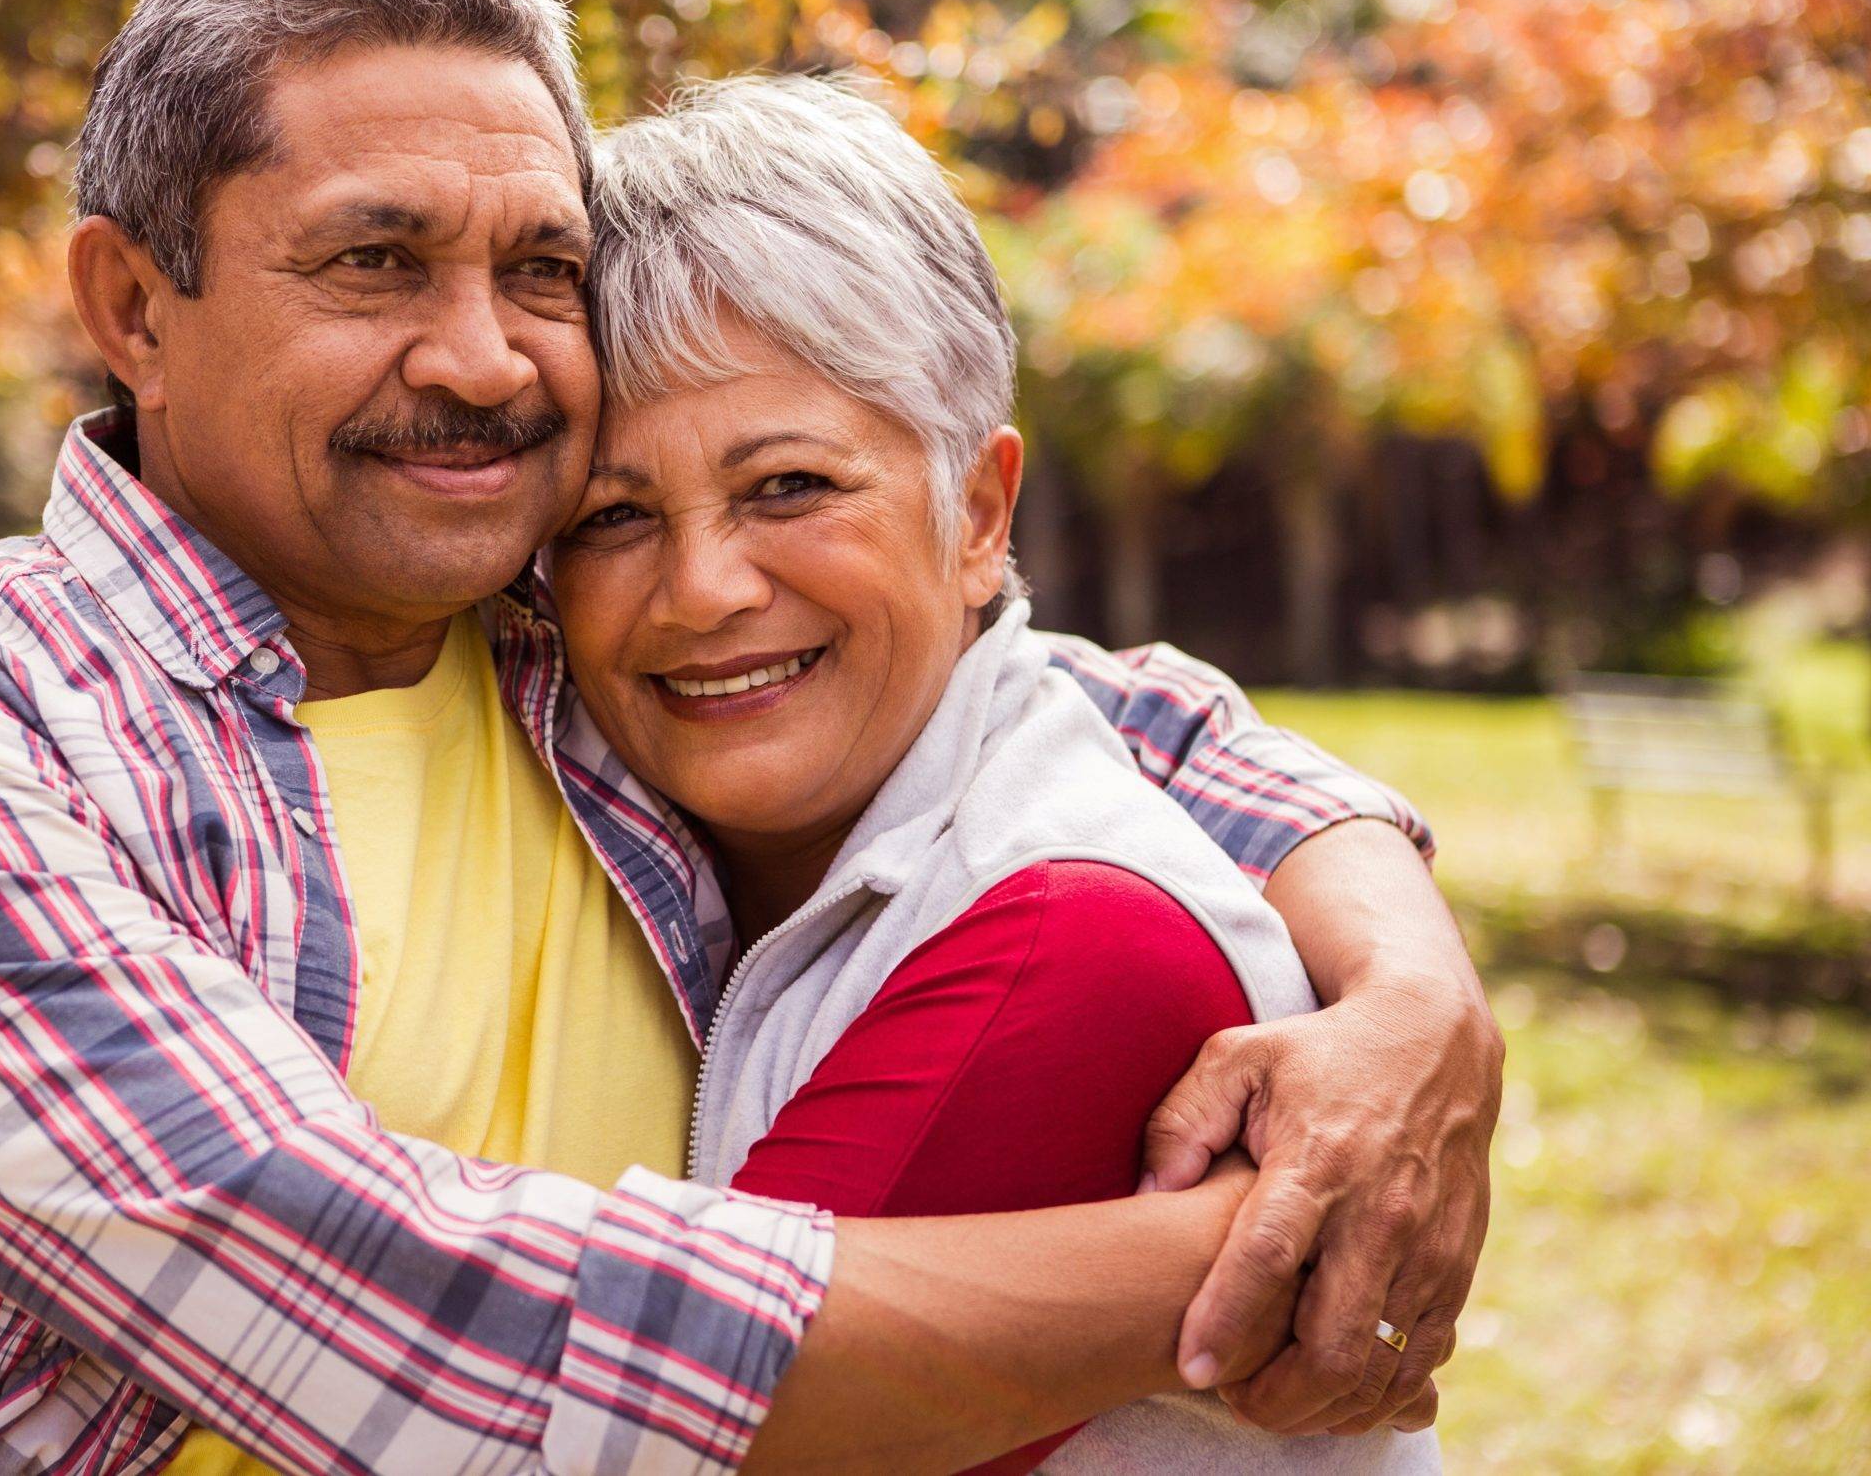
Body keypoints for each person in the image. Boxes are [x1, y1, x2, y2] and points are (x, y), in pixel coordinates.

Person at [0, 0, 1500, 1474]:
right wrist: (1254, 1258)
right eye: (376, 260)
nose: (482, 360)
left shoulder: (572, 631)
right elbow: (404, 1326)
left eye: (539, 268)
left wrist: (1413, 988)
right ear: (132, 306)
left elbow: (1060, 697)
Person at [551, 73, 1463, 1470]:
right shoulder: (663, 809)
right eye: (614, 515)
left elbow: (660, 1438)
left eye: (789, 485)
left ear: (976, 515)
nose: (702, 589)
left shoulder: (1068, 941)